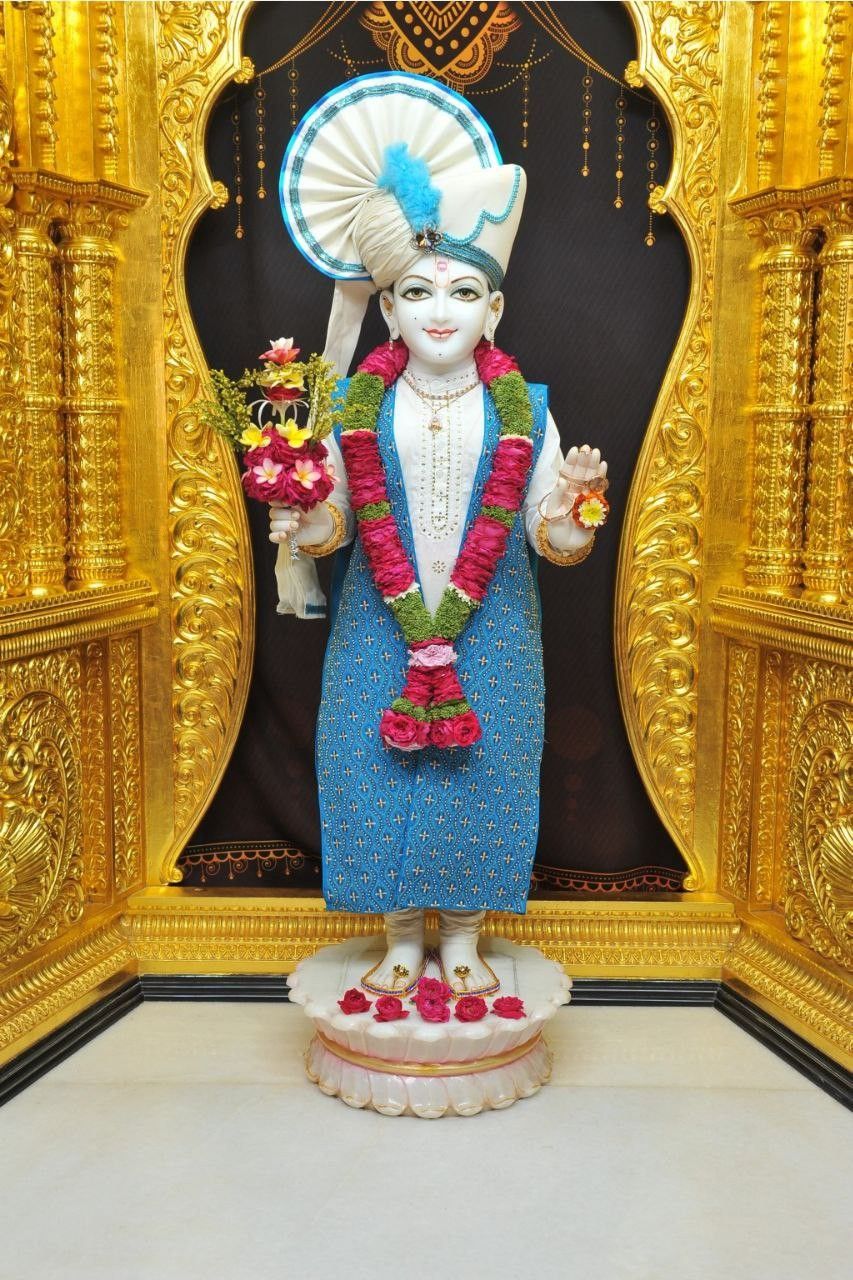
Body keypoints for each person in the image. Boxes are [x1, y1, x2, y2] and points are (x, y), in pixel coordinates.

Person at [270, 73, 608, 999]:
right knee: (370, 773)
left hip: (491, 626)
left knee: (481, 778)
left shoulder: (525, 411)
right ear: (386, 309)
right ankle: (396, 940)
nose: (439, 309)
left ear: (494, 309)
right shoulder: (354, 405)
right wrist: (308, 518)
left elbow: (553, 545)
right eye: (415, 291)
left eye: (464, 290)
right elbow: (340, 520)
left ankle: (461, 940)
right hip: (379, 624)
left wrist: (574, 503)